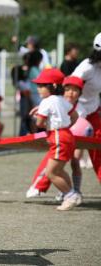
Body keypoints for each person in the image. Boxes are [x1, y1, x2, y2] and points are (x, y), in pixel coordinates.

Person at [26, 76, 90, 205]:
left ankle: (71, 194)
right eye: (68, 89)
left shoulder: (49, 101)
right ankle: (70, 192)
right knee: (59, 169)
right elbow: (69, 114)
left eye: (42, 85)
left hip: (62, 136)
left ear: (53, 86)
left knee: (54, 171)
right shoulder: (61, 100)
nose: (70, 93)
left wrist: (46, 123)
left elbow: (40, 122)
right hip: (67, 136)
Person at [71, 32, 101, 182]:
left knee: (98, 146)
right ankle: (40, 184)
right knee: (66, 147)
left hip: (94, 109)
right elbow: (69, 87)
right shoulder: (86, 68)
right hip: (78, 110)